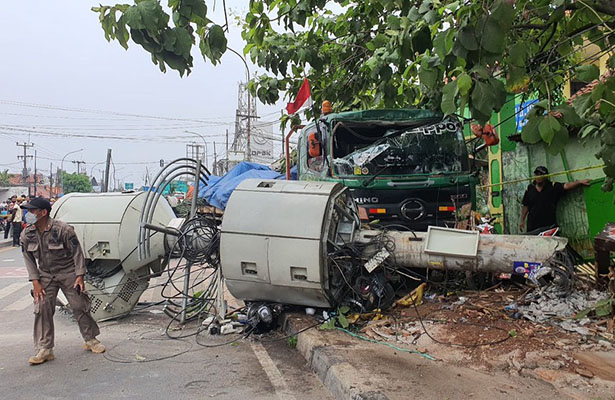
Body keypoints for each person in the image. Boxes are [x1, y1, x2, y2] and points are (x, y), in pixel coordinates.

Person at [20, 197, 105, 365]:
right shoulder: (27, 234)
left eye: (32, 211)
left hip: (68, 273)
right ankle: (45, 349)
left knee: (79, 305)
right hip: (45, 275)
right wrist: (35, 281)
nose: (28, 214)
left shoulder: (63, 230)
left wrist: (80, 275)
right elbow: (28, 258)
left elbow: (77, 253)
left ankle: (90, 339)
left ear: (43, 213)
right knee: (42, 308)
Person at [520, 166, 590, 233]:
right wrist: (522, 220)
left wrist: (579, 182)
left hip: (548, 225)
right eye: (536, 174)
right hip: (533, 226)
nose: (538, 176)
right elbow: (526, 205)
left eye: (541, 174)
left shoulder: (552, 186)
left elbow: (566, 186)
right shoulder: (530, 188)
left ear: (546, 176)